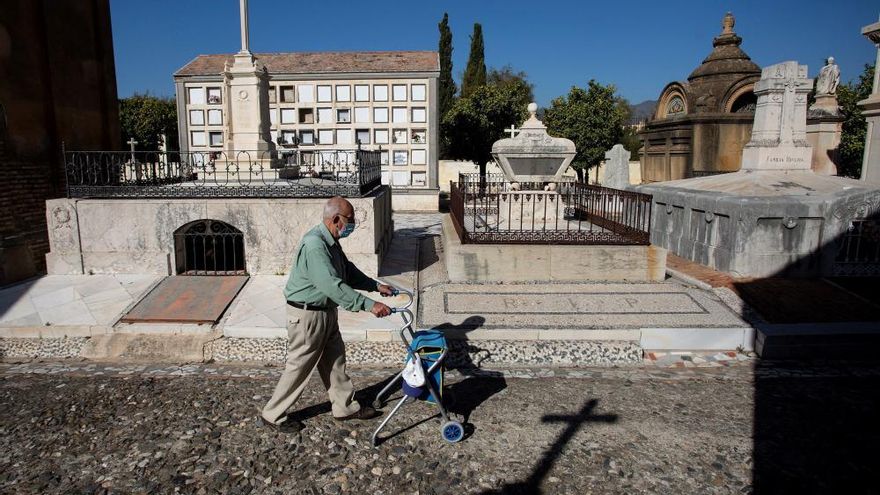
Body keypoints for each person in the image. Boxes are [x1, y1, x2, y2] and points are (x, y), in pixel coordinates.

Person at [261, 196, 393, 432]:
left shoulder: (329, 240)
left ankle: (345, 407)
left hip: (325, 312)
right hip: (307, 316)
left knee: (335, 361)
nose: (352, 225)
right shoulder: (315, 245)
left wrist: (375, 286)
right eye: (350, 220)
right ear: (335, 219)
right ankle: (273, 414)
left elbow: (346, 271)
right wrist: (368, 304)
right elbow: (332, 284)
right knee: (299, 366)